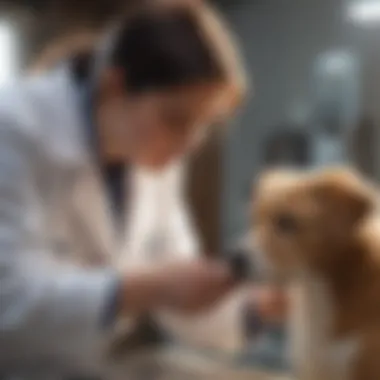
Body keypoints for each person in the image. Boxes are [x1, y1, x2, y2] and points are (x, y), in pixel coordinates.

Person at [0, 0, 286, 378]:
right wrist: (137, 290)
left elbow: (178, 294)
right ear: (114, 86)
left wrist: (259, 308)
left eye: (202, 126)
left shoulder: (152, 158)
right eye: (176, 119)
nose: (188, 145)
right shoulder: (15, 130)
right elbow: (9, 300)